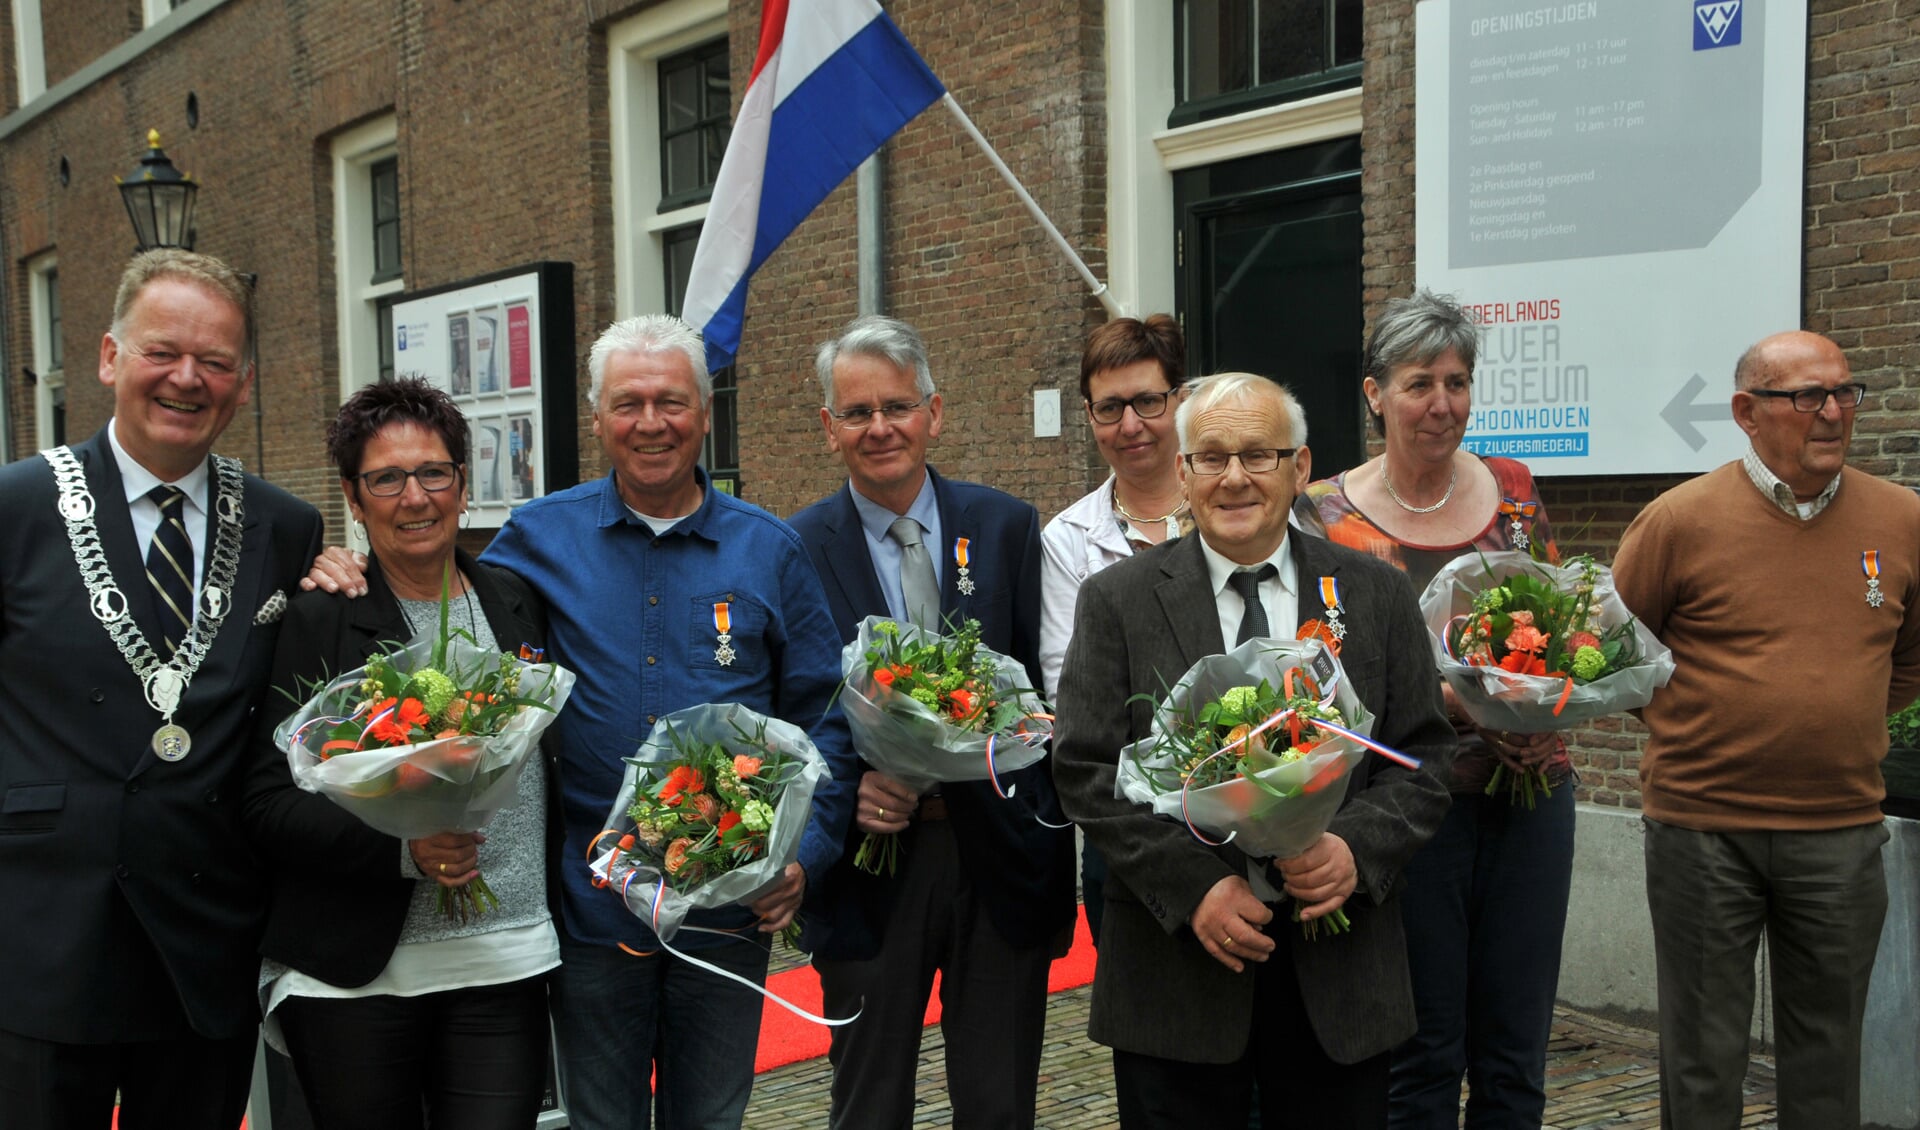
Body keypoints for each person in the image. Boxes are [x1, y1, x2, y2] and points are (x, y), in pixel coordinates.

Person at [306, 314, 858, 1130]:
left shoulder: (770, 550)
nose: (650, 423)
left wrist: (803, 858)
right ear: (597, 418)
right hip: (592, 910)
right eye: (627, 403)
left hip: (727, 907)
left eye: (671, 401)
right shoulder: (538, 538)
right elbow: (445, 611)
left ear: (706, 413)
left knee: (710, 1118)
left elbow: (830, 721)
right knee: (602, 1121)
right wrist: (345, 561)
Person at [1052, 371, 1455, 1129]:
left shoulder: (1374, 594)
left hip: (1340, 977)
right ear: (1182, 472)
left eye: (1258, 455)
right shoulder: (1118, 601)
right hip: (1177, 980)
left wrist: (1352, 850)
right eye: (1211, 457)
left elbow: (1427, 758)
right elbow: (1083, 769)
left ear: (1299, 468)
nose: (1234, 477)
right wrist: (1196, 887)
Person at [0, 249, 325, 1129]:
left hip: (202, 933)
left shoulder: (287, 527)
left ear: (244, 383)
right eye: (162, 352)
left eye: (215, 362)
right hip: (39, 934)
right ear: (109, 358)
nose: (188, 378)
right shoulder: (15, 507)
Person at [1612, 330, 1920, 1130]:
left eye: (1844, 393)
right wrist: (1703, 727)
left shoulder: (1902, 518)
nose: (1832, 413)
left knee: (1828, 1055)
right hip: (1703, 830)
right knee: (1702, 1056)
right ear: (1747, 412)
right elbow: (1613, 655)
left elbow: (1912, 658)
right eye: (1807, 396)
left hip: (1840, 831)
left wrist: (1832, 719)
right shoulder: (1679, 519)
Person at [787, 314, 1077, 1130]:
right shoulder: (795, 548)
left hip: (999, 858)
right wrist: (854, 784)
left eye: (898, 406)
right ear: (829, 428)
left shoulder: (1009, 526)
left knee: (997, 1101)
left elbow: (1042, 686)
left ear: (934, 413)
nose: (880, 428)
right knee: (870, 1102)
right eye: (857, 412)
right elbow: (797, 707)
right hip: (867, 869)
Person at [240, 378, 554, 1129]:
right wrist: (403, 853)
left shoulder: (514, 600)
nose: (415, 498)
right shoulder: (318, 616)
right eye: (387, 478)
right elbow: (264, 801)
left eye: (434, 473)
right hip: (357, 972)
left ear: (462, 484)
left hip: (503, 954)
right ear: (354, 496)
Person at [1302, 289, 1572, 1129]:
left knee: (1516, 1049)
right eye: (1420, 383)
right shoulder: (1323, 513)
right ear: (1376, 393)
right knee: (1419, 1052)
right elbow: (1320, 674)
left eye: (1458, 382)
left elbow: (1559, 626)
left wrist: (1543, 712)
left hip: (1531, 798)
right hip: (1407, 809)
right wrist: (1465, 705)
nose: (1442, 404)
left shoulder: (1515, 493)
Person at [1039, 314, 1189, 946]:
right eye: (1110, 408)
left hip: (1258, 800)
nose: (1131, 425)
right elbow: (1066, 687)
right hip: (1128, 826)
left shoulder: (1238, 510)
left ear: (1180, 398)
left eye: (1148, 401)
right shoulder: (1069, 540)